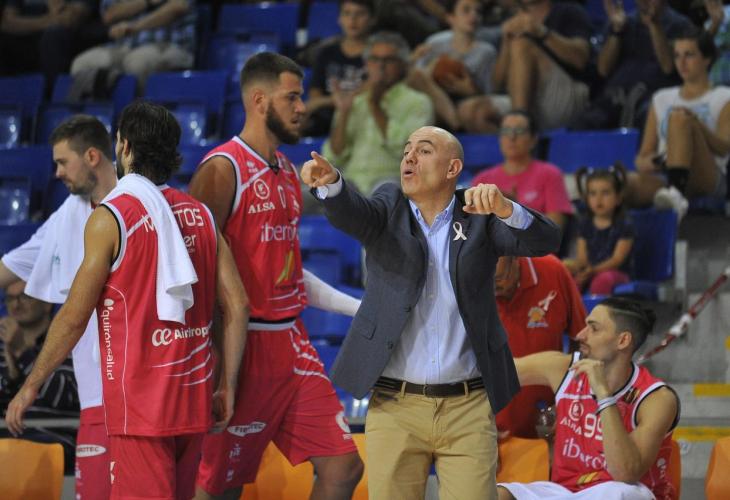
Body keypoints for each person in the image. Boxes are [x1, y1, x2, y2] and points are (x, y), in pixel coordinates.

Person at [301, 125, 562, 499]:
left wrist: (507, 209)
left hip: (468, 407)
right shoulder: (389, 204)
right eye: (407, 149)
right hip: (395, 407)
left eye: (423, 150)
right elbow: (355, 215)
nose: (409, 156)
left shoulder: (478, 213)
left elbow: (546, 240)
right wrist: (332, 186)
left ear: (453, 168)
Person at [6, 101, 249, 499]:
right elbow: (237, 305)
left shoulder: (111, 217)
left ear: (124, 146)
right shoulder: (202, 215)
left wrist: (31, 384)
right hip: (193, 401)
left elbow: (74, 316)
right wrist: (228, 384)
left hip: (140, 410)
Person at [188, 52, 363, 500]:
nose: (303, 107)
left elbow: (286, 271)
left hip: (291, 341)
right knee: (220, 487)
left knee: (344, 467)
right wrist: (215, 362)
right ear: (259, 100)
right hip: (241, 345)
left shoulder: (287, 171)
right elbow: (195, 273)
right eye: (292, 97)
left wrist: (359, 308)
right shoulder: (221, 169)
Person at [0, 114, 117, 499]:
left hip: (134, 391)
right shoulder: (69, 214)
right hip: (93, 395)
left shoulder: (138, 203)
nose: (56, 173)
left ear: (92, 156)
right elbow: (12, 265)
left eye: (63, 162)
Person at [498, 297, 680, 500]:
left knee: (614, 493)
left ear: (623, 341)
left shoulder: (656, 398)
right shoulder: (564, 369)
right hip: (567, 492)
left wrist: (603, 393)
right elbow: (494, 373)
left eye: (593, 328)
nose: (580, 335)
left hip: (629, 492)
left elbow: (625, 473)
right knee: (498, 494)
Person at [630, 27, 730, 218]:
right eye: (677, 56)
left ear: (706, 59)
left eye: (689, 55)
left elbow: (725, 148)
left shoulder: (724, 97)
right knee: (622, 184)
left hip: (707, 175)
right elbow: (643, 156)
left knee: (679, 118)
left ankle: (676, 192)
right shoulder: (661, 98)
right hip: (666, 171)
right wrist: (652, 162)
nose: (681, 62)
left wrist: (696, 125)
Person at [322, 31, 434, 194]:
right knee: (312, 193)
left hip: (393, 180)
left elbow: (406, 152)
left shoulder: (418, 102)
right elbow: (334, 156)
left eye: (388, 60)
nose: (380, 66)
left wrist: (375, 106)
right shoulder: (354, 101)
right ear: (366, 64)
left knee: (387, 190)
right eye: (374, 59)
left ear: (402, 64)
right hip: (351, 181)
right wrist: (344, 112)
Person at [493, 254, 586, 439]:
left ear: (515, 257)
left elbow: (583, 341)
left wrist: (569, 400)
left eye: (498, 279)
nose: (489, 287)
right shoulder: (466, 283)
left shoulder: (553, 271)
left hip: (547, 428)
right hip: (488, 431)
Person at [571, 0, 692, 130]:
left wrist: (654, 25)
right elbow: (603, 69)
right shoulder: (624, 21)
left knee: (648, 115)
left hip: (652, 98)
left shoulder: (680, 25)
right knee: (582, 123)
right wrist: (616, 31)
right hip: (616, 97)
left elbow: (668, 67)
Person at [0, 279, 79, 471]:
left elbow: (62, 394)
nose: (16, 305)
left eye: (24, 297)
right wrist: (11, 363)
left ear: (47, 303)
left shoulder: (67, 342)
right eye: (10, 299)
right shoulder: (3, 348)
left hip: (54, 436)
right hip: (7, 438)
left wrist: (22, 352)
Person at [491, 0, 593, 131]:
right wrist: (506, 41)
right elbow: (496, 85)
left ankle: (519, 125)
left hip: (568, 94)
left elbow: (580, 59)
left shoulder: (569, 11)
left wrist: (542, 32)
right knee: (475, 112)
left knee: (522, 44)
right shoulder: (513, 19)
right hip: (528, 98)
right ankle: (517, 136)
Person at [408, 0, 506, 133]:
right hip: (435, 98)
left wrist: (470, 90)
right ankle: (454, 122)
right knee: (417, 76)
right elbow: (417, 78)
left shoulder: (486, 52)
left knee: (472, 110)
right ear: (451, 17)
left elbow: (490, 92)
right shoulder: (435, 43)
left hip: (465, 102)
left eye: (478, 12)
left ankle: (455, 124)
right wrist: (414, 60)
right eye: (466, 10)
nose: (473, 15)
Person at [471, 110, 573, 232]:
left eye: (519, 131)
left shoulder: (550, 174)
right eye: (506, 131)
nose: (512, 137)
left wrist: (514, 210)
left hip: (534, 243)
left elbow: (554, 230)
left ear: (533, 139)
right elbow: (472, 230)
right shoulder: (482, 179)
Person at [70, 0, 196, 88]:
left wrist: (135, 27)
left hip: (171, 46)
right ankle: (96, 116)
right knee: (82, 64)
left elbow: (178, 7)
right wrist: (147, 2)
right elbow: (110, 14)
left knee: (138, 62)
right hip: (124, 48)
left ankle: (141, 117)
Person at [304, 0, 374, 137]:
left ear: (372, 19)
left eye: (360, 14)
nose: (353, 20)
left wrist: (328, 101)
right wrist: (335, 102)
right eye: (347, 13)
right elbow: (315, 95)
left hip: (362, 117)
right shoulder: (327, 52)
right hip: (326, 118)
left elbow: (372, 90)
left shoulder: (377, 54)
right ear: (339, 18)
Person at [564, 165, 634, 296]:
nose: (598, 199)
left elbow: (617, 260)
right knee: (567, 277)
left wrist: (593, 270)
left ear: (618, 198)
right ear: (587, 198)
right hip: (591, 271)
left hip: (617, 274)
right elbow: (582, 258)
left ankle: (598, 309)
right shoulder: (584, 225)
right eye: (593, 193)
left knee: (602, 280)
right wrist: (579, 269)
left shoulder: (624, 226)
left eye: (605, 193)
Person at [0, 0, 95, 89]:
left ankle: (53, 95)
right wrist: (48, 21)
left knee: (53, 34)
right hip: (25, 41)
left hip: (65, 41)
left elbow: (70, 19)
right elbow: (6, 22)